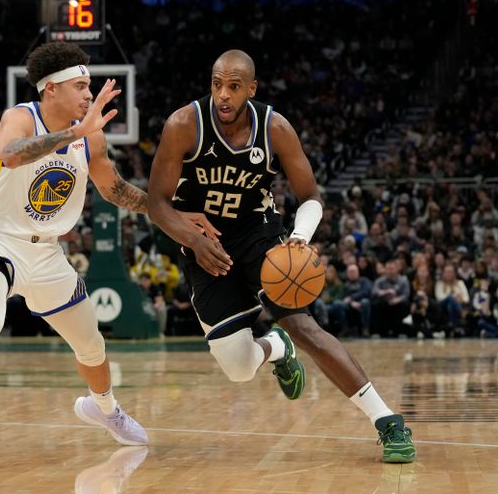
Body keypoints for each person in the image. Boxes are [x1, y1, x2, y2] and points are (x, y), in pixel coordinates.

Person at [0, 42, 216, 473]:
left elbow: (116, 190)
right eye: (80, 86)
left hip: (47, 253)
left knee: (91, 344)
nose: (89, 95)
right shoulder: (19, 117)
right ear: (51, 89)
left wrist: (172, 214)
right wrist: (73, 133)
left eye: (88, 87)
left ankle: (105, 408)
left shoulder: (92, 138)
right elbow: (8, 155)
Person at [147, 50, 415, 463]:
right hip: (202, 241)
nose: (223, 95)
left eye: (234, 87)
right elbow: (158, 204)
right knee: (237, 367)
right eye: (217, 84)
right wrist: (194, 240)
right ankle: (275, 347)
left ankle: (387, 421)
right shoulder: (184, 125)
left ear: (252, 89)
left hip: (259, 235)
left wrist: (299, 236)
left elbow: (310, 197)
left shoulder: (276, 129)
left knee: (304, 325)